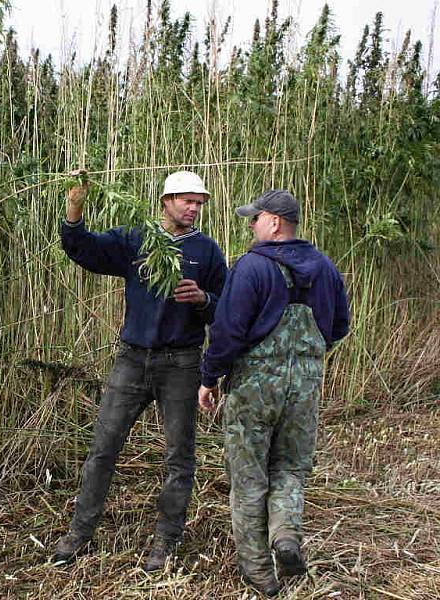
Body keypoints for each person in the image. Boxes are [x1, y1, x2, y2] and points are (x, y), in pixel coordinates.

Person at [53, 169, 228, 572]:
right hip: (131, 360)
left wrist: (203, 299)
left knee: (179, 458)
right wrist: (75, 206)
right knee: (103, 448)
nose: (194, 208)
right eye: (187, 200)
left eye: (199, 203)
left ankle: (165, 542)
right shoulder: (137, 238)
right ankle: (80, 533)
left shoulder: (208, 251)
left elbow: (226, 311)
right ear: (165, 201)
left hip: (182, 363)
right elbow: (83, 248)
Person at [198, 189, 350, 597]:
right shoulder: (325, 268)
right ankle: (285, 536)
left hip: (254, 389)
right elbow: (339, 326)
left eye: (255, 218)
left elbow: (228, 332)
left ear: (275, 222)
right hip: (303, 390)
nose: (250, 225)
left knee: (248, 479)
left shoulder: (251, 268)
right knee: (289, 469)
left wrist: (210, 377)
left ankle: (260, 573)